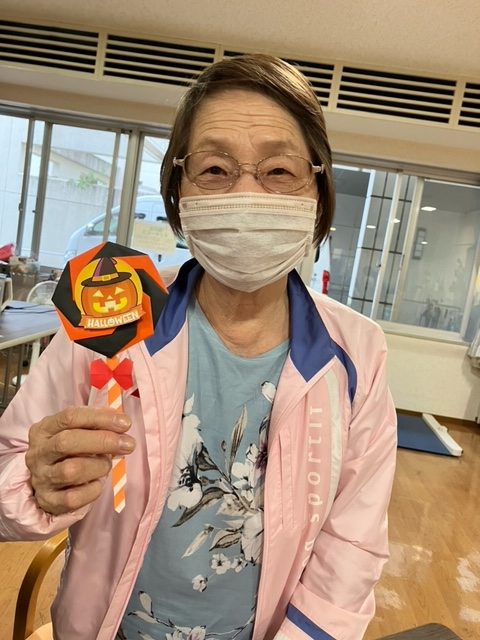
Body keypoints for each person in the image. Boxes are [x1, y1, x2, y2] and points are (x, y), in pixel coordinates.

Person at [0, 54, 397, 640]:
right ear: (177, 190)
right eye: (214, 168)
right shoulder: (116, 310)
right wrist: (34, 484)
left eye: (279, 170)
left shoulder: (356, 352)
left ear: (319, 190)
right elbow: (9, 470)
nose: (247, 194)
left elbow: (353, 544)